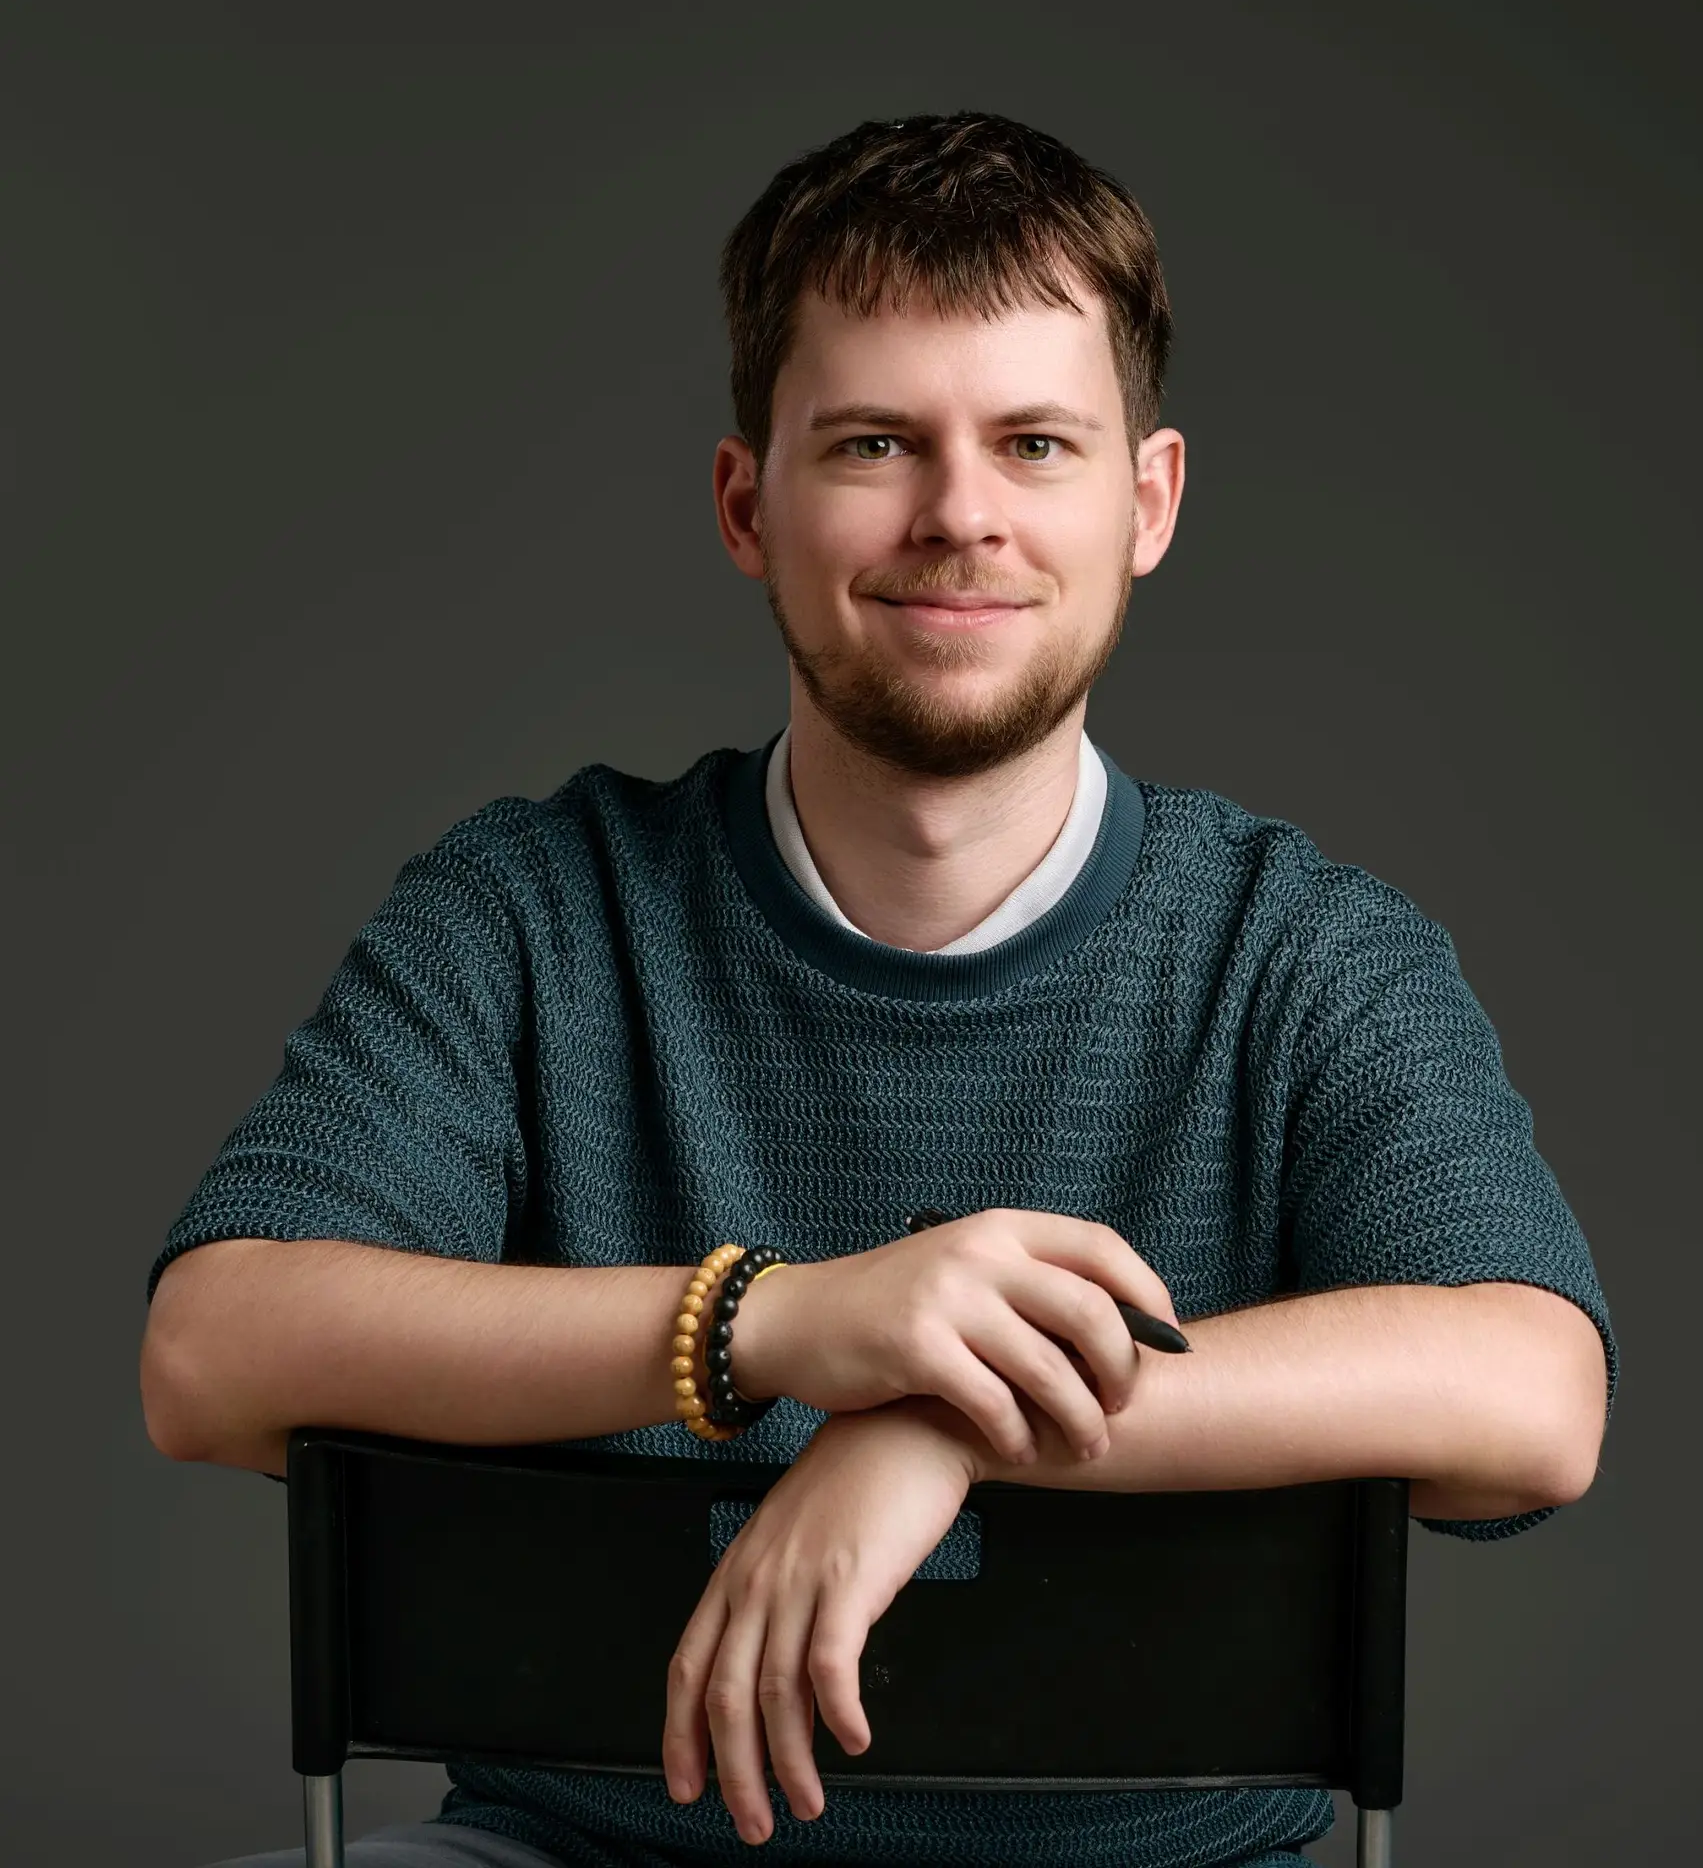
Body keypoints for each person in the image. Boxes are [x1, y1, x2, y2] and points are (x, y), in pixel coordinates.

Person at [141, 109, 1618, 1868]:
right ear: (743, 505)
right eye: (871, 443)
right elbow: (209, 1353)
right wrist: (779, 1325)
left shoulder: (1308, 958)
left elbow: (1533, 1397)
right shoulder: (531, 911)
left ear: (1143, 505)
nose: (958, 516)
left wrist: (944, 1424)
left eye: (1034, 443)